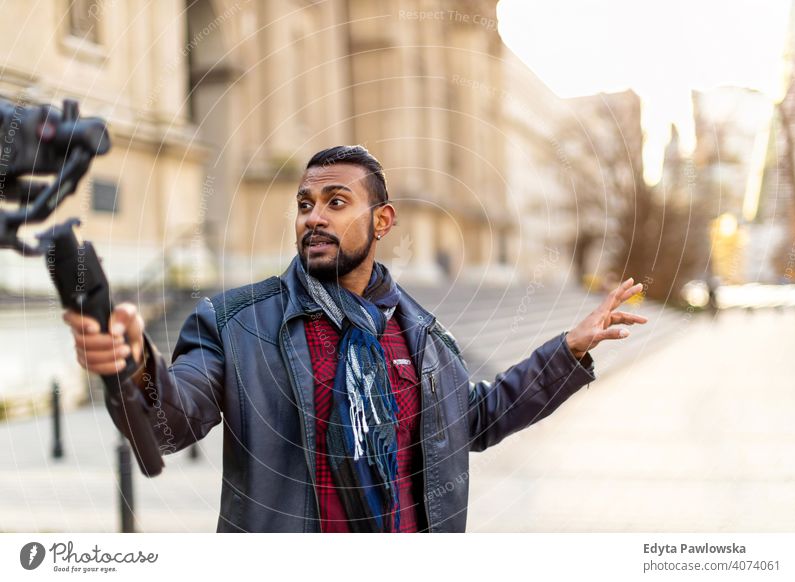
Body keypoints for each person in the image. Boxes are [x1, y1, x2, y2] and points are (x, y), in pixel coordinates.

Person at [62, 145, 647, 533]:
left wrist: (568, 350)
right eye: (304, 204)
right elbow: (174, 423)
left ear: (382, 221)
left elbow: (478, 418)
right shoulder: (235, 323)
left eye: (336, 203)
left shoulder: (418, 331)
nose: (312, 217)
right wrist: (136, 363)